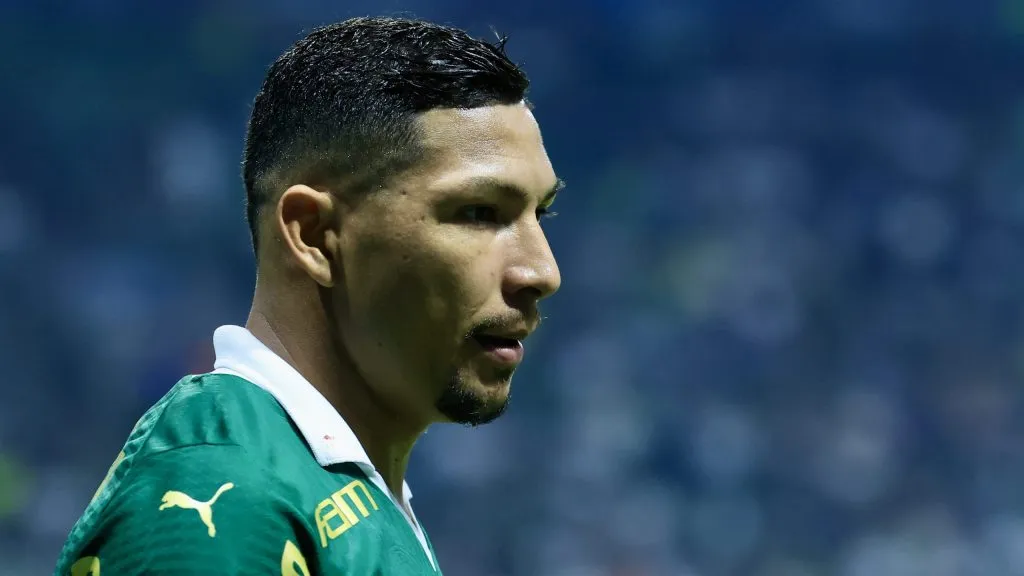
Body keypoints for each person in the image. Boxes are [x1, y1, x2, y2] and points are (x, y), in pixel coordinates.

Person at [55, 16, 562, 575]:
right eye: (478, 212)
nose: (541, 270)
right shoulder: (226, 497)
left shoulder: (337, 488)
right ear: (314, 235)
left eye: (540, 214)